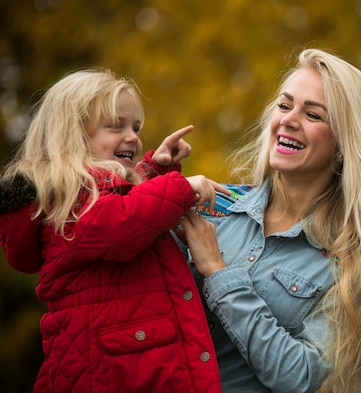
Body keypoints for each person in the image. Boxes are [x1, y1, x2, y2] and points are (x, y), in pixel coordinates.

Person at [179, 48, 361, 393]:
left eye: (313, 115)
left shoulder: (353, 265)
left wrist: (218, 271)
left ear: (345, 144)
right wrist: (157, 187)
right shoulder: (215, 207)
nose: (289, 119)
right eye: (284, 106)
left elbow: (298, 376)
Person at [0, 69, 226, 393]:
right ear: (73, 134)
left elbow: (126, 202)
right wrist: (180, 187)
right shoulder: (63, 203)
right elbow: (119, 223)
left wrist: (155, 169)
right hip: (104, 377)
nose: (132, 136)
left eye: (135, 127)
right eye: (115, 126)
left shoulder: (97, 196)